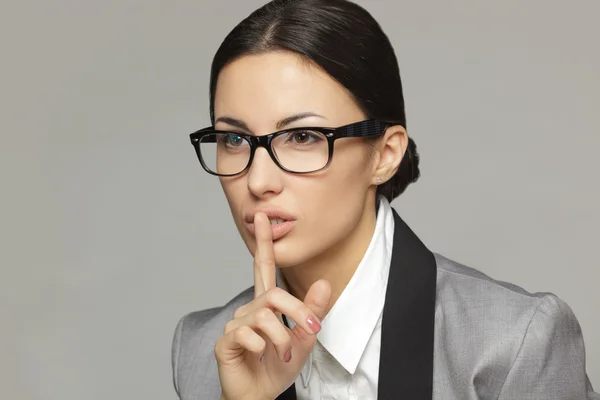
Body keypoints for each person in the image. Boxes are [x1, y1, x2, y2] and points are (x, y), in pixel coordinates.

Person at [171, 0, 599, 399]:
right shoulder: (202, 349)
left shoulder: (513, 343)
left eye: (302, 137)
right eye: (233, 139)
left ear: (385, 155)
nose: (258, 179)